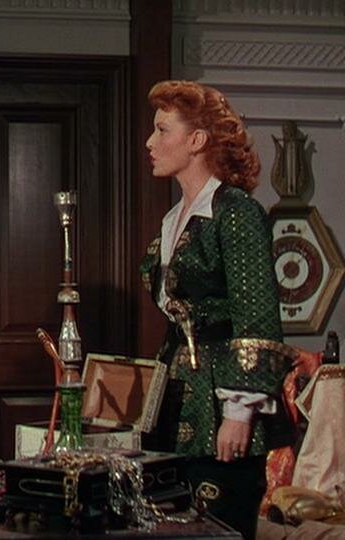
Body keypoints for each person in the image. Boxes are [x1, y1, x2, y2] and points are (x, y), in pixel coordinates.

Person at [139, 80, 295, 539]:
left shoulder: (236, 211)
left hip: (219, 405)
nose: (150, 142)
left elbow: (257, 315)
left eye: (162, 130)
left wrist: (238, 414)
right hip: (174, 401)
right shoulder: (174, 218)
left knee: (220, 526)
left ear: (196, 140)